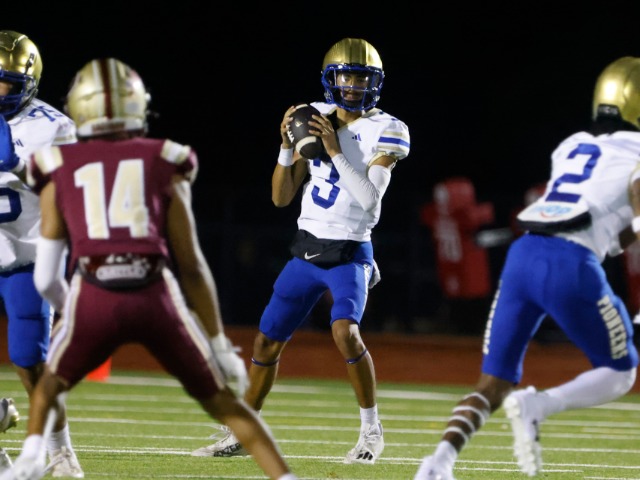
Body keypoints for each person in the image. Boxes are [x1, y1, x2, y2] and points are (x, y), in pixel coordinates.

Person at [0, 58, 298, 480]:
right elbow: (192, 266)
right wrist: (218, 345)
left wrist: (72, 312)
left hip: (94, 292)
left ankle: (30, 461)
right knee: (222, 402)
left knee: (46, 385)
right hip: (155, 291)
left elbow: (47, 276)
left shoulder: (59, 165)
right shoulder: (166, 157)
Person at [414, 56, 640, 480]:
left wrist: (620, 237)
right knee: (621, 372)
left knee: (492, 383)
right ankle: (539, 404)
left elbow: (605, 223)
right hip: (570, 261)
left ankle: (436, 465)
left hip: (523, 255)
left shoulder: (571, 145)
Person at [192, 37, 410, 465]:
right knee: (265, 342)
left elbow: (370, 202)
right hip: (306, 248)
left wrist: (334, 151)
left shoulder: (388, 129)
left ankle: (372, 431)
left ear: (375, 82)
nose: (353, 86)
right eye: (346, 76)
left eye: (361, 78)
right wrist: (286, 146)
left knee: (345, 333)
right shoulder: (313, 115)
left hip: (349, 251)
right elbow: (280, 197)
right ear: (331, 79)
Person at [0, 30, 82, 477]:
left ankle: (60, 452)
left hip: (26, 254)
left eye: (3, 81)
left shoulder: (54, 127)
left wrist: (18, 166)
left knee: (30, 362)